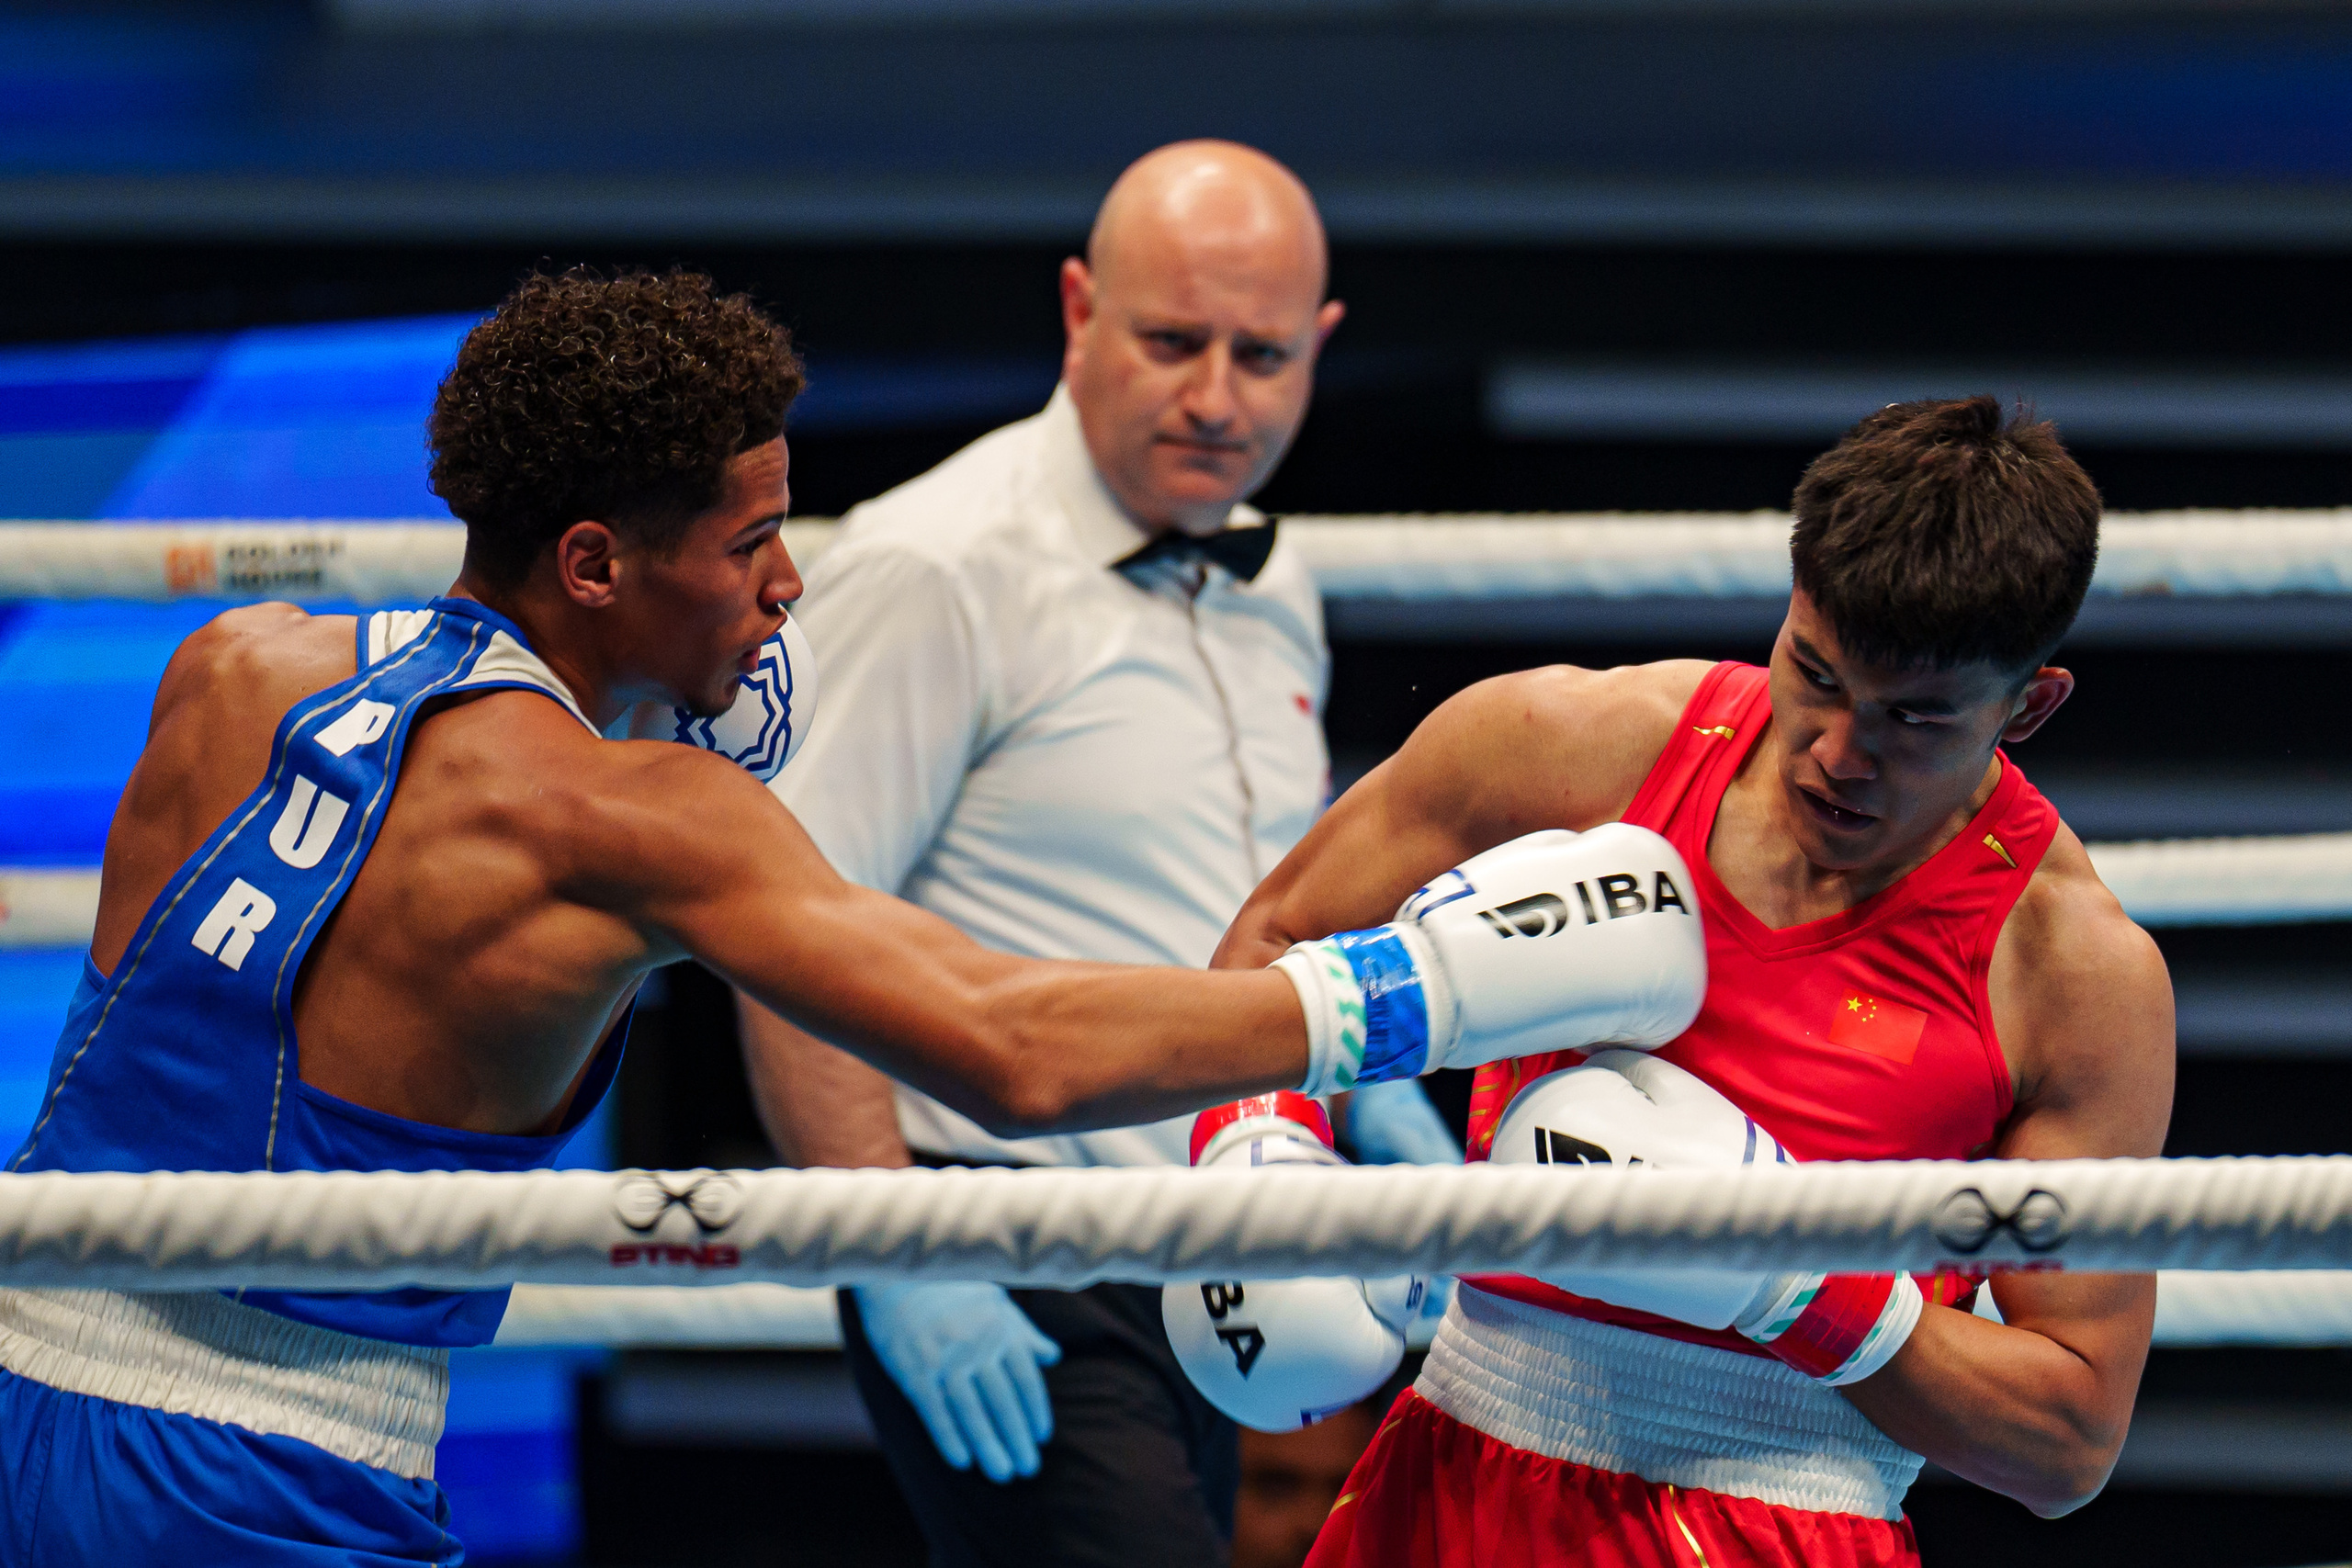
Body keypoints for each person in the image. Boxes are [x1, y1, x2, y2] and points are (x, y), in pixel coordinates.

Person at [0, 266, 1668, 1565]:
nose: (788, 584)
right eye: (750, 541)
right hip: (268, 1457)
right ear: (594, 563)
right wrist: (1408, 990)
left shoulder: (235, 668)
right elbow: (1016, 1049)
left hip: (25, 1363)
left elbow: (218, 1028)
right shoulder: (636, 821)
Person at [1212, 396, 2177, 1567]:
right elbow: (1278, 939)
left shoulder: (2069, 970)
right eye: (1812, 674)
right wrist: (1261, 1154)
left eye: (1912, 720)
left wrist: (1793, 1285)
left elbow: (2065, 1443)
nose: (1835, 754)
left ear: (2028, 705)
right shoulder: (1568, 748)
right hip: (1451, 1469)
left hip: (1779, 1521)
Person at [734, 141, 1460, 1568]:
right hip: (1010, 1238)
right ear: (1079, 311)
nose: (1215, 397)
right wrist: (899, 1261)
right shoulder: (939, 564)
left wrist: (1379, 1107)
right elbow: (787, 936)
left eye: (1261, 355)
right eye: (1173, 341)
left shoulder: (1273, 572)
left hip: (1225, 1230)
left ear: (1319, 348)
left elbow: (1277, 894)